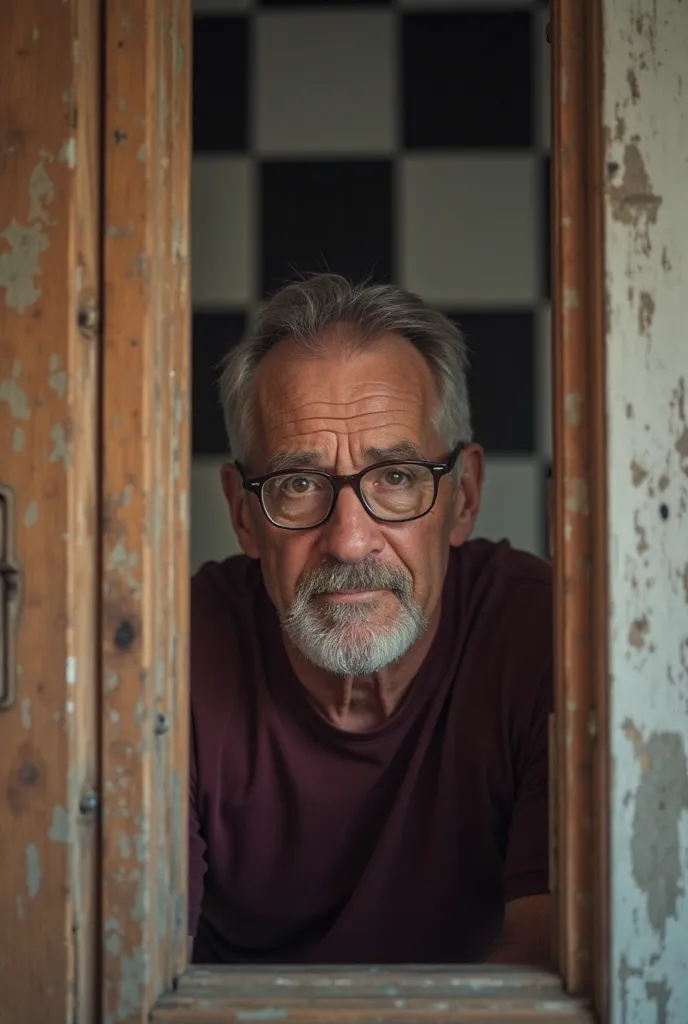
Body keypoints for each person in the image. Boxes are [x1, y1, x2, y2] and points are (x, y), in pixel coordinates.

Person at [189, 274, 552, 967]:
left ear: (463, 496)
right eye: (299, 484)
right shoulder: (167, 656)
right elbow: (128, 979)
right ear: (243, 514)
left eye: (396, 477)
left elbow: (549, 973)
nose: (350, 539)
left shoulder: (550, 640)